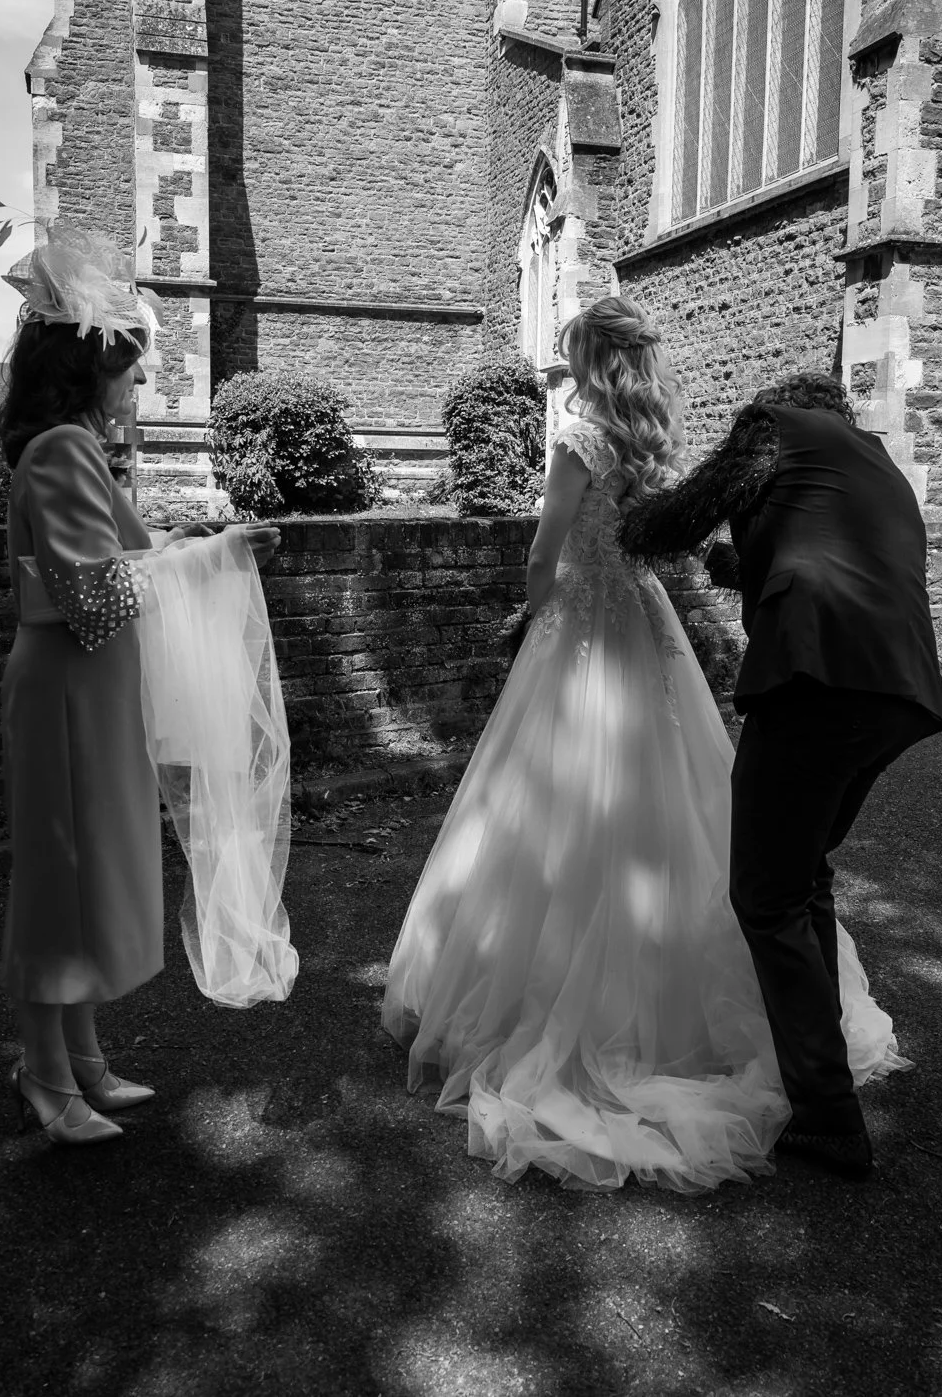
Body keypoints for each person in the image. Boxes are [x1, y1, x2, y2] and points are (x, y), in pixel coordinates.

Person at [382, 297, 909, 1193]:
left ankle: (571, 1025)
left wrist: (531, 606)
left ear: (589, 356)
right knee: (674, 805)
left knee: (564, 805)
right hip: (642, 620)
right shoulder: (644, 432)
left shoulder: (581, 430)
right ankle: (748, 1028)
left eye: (570, 346)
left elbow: (546, 549)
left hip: (582, 631)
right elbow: (655, 542)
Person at [619, 370, 942, 1178]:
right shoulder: (874, 464)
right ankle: (821, 1064)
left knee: (765, 896)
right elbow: (811, 558)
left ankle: (829, 1117)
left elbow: (673, 521)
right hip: (900, 694)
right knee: (802, 876)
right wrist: (731, 564)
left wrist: (630, 511)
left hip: (817, 682)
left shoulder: (773, 425)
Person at [0, 224, 288, 1146]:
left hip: (86, 686)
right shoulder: (61, 452)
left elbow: (114, 568)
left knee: (84, 871)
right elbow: (93, 594)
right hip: (69, 691)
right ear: (85, 372)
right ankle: (44, 1073)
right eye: (127, 367)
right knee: (60, 875)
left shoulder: (67, 447)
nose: (139, 385)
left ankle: (81, 1057)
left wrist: (200, 551)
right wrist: (217, 557)